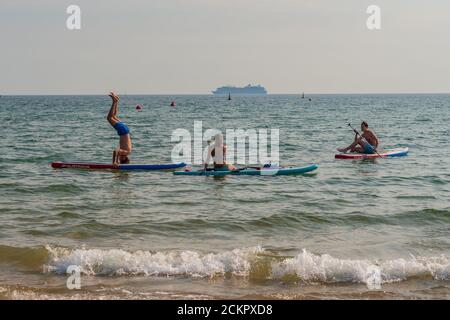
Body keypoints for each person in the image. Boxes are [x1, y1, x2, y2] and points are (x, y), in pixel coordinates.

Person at [106, 92, 132, 166]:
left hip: (125, 130)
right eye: (121, 160)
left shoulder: (127, 152)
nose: (120, 159)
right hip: (123, 131)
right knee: (109, 118)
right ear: (124, 158)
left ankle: (116, 101)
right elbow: (116, 151)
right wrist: (115, 161)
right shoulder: (126, 152)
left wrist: (116, 160)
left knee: (113, 116)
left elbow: (117, 151)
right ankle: (114, 101)